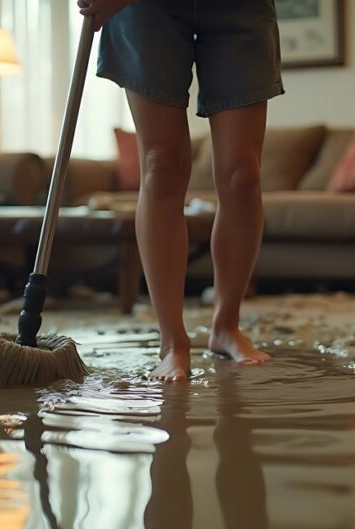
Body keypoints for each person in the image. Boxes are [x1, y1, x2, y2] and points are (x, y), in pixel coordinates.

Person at [79, 0, 284, 381]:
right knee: (163, 165)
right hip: (145, 9)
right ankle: (173, 341)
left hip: (240, 10)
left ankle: (226, 326)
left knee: (243, 175)